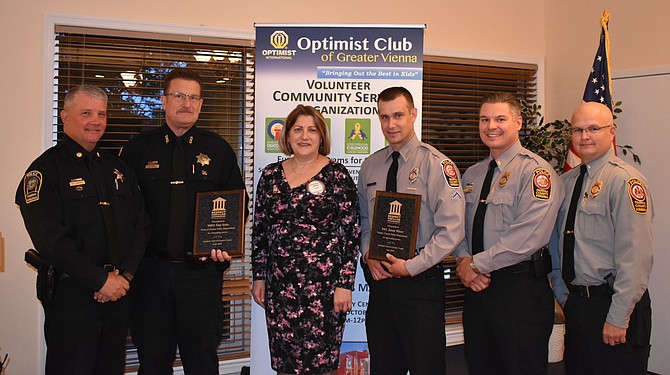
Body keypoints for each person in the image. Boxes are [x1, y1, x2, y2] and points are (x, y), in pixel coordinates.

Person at [120, 68, 248, 374]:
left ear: (201, 105)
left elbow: (237, 205)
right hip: (150, 275)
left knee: (202, 361)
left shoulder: (218, 150)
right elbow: (123, 211)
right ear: (164, 101)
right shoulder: (138, 149)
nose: (186, 103)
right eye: (178, 95)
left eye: (193, 97)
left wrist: (222, 246)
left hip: (201, 276)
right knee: (152, 362)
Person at [16, 84, 150, 374]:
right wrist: (99, 280)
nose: (96, 121)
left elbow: (140, 225)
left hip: (118, 294)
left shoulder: (118, 168)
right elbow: (50, 240)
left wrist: (123, 276)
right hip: (72, 297)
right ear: (65, 117)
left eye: (101, 114)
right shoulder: (45, 171)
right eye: (86, 113)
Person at [454, 92, 563, 375]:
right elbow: (459, 228)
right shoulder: (472, 175)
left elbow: (528, 236)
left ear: (518, 122)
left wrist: (475, 265)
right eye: (485, 119)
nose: (491, 126)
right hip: (477, 291)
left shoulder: (537, 173)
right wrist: (463, 262)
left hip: (520, 292)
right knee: (480, 366)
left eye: (500, 119)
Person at [358, 87, 465, 374]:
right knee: (384, 367)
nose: (391, 124)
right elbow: (364, 222)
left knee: (425, 367)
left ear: (413, 115)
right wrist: (368, 253)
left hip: (421, 287)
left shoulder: (436, 165)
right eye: (384, 117)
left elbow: (451, 230)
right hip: (381, 288)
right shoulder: (370, 166)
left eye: (398, 115)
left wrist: (412, 266)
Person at [251, 105, 360, 375]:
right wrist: (260, 277)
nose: (304, 136)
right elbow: (261, 232)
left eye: (312, 130)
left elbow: (351, 234)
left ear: (321, 136)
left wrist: (344, 285)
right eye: (298, 129)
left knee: (320, 367)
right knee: (285, 367)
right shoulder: (270, 176)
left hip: (323, 291)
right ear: (287, 136)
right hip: (281, 290)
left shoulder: (337, 175)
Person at [548, 102, 653, 374]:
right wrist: (563, 294)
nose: (585, 136)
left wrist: (618, 318)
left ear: (612, 132)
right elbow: (557, 245)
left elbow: (636, 258)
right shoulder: (567, 183)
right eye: (578, 130)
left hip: (614, 305)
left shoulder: (625, 182)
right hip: (579, 305)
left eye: (594, 128)